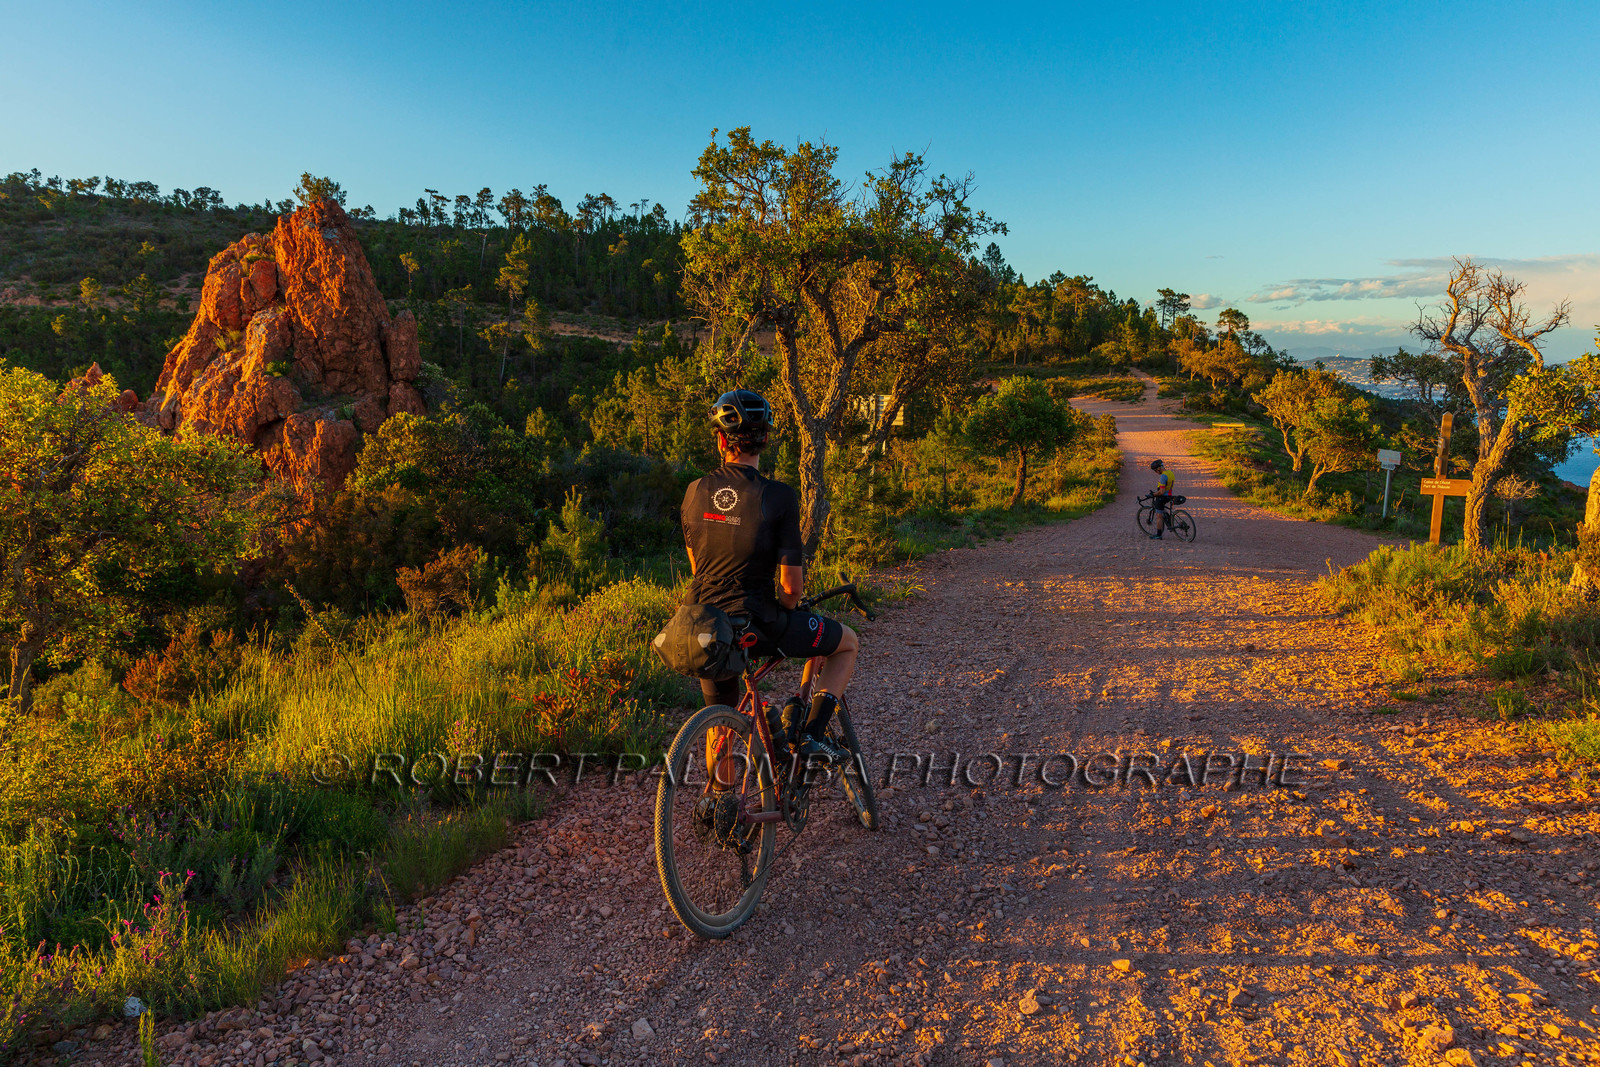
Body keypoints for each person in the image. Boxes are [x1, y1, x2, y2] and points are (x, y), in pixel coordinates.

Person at [680, 389, 860, 764]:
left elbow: (698, 569)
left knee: (720, 729)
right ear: (765, 439)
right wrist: (786, 607)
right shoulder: (777, 496)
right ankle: (811, 734)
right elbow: (792, 588)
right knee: (846, 643)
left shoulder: (693, 492)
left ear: (720, 440)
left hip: (704, 627)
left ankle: (721, 810)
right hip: (757, 623)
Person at [1148, 459, 1175, 540]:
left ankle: (1158, 535)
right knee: (1163, 510)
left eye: (1155, 470)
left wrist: (1153, 494)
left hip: (1162, 497)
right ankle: (1168, 521)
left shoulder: (1163, 476)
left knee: (1159, 516)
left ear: (1159, 469)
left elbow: (1161, 492)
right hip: (1169, 495)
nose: (1156, 472)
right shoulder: (1170, 472)